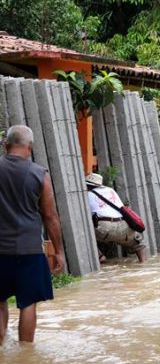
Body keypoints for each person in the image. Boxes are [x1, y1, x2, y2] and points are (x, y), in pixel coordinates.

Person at [0, 125, 65, 343]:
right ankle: (26, 354)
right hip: (29, 250)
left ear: (5, 144)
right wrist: (59, 251)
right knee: (28, 304)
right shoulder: (39, 174)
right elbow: (50, 216)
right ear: (30, 147)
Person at [85, 173, 146, 263]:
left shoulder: (87, 195)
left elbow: (86, 215)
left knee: (85, 235)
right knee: (137, 240)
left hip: (105, 229)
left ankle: (100, 256)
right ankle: (143, 262)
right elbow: (121, 208)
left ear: (87, 185)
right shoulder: (110, 190)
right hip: (123, 227)